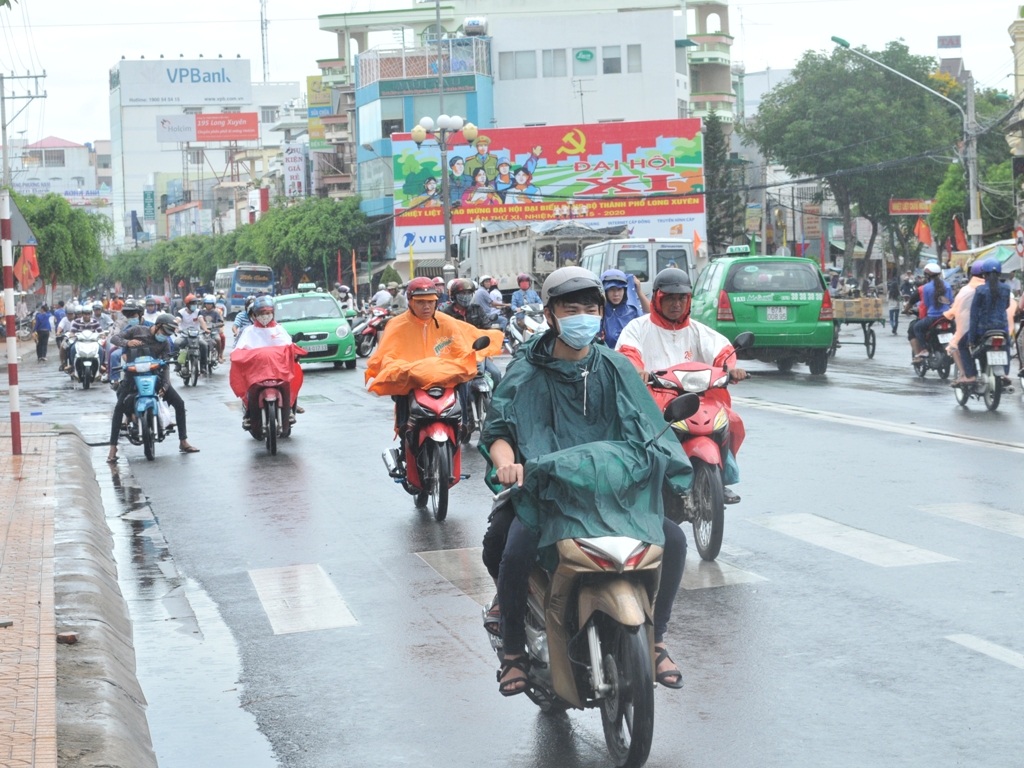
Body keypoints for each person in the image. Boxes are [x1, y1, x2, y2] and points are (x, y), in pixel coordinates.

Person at [480, 267, 691, 696]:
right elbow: (499, 430)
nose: (583, 316)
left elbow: (649, 424)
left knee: (675, 540)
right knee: (513, 547)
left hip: (616, 491)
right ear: (551, 314)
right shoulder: (526, 372)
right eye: (570, 308)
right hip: (549, 492)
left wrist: (669, 464)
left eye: (590, 309)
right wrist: (507, 463)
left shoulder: (615, 366)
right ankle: (515, 652)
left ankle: (656, 640)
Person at [616, 267, 747, 504]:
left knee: (732, 421)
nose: (676, 304)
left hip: (699, 399)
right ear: (657, 298)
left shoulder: (698, 330)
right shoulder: (638, 327)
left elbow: (723, 352)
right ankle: (642, 481)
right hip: (654, 398)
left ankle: (722, 478)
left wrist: (731, 368)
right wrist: (638, 371)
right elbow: (628, 352)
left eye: (681, 298)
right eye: (670, 298)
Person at [365, 277, 493, 447]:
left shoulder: (447, 322)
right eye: (421, 302)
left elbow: (461, 348)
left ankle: (463, 424)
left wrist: (466, 358)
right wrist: (398, 368)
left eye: (430, 302)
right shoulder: (396, 325)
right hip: (412, 377)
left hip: (444, 376)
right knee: (400, 391)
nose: (426, 306)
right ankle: (404, 429)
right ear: (410, 302)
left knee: (464, 382)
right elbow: (387, 354)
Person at [106, 313, 199, 463]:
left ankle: (183, 441)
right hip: (131, 379)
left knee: (179, 404)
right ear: (158, 326)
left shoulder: (165, 343)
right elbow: (114, 339)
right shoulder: (137, 330)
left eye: (169, 333)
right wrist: (127, 343)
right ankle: (112, 448)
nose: (166, 335)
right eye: (165, 331)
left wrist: (165, 385)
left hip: (155, 378)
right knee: (119, 408)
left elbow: (166, 366)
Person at [231, 296, 304, 428]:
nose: (265, 316)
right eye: (261, 314)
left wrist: (296, 354)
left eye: (268, 313)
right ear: (254, 315)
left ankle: (288, 410)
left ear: (273, 314)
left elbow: (289, 346)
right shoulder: (248, 331)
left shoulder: (279, 330)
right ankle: (249, 413)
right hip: (256, 373)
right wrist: (238, 357)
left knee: (288, 383)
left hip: (279, 372)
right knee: (250, 390)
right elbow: (239, 350)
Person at [442, 278, 503, 388]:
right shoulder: (446, 313)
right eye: (462, 293)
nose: (466, 296)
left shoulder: (477, 309)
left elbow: (487, 329)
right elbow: (442, 335)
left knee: (496, 374)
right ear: (454, 295)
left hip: (478, 351)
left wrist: (488, 352)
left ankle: (496, 403)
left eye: (469, 293)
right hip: (457, 354)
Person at [969, 258, 1012, 384]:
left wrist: (971, 340)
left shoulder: (980, 290)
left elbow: (974, 315)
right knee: (1006, 347)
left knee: (972, 350)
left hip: (983, 329)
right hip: (1002, 328)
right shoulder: (1006, 288)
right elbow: (1006, 305)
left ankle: (974, 375)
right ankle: (1005, 373)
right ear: (999, 273)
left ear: (984, 274)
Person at [946, 260, 985, 385]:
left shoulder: (966, 291)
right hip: (998, 328)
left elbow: (955, 309)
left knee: (956, 345)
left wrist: (949, 315)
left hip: (971, 329)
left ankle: (966, 374)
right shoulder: (999, 289)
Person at [911, 263, 951, 359]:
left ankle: (924, 350)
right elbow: (950, 301)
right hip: (947, 316)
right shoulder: (948, 286)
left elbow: (927, 304)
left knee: (916, 327)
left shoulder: (926, 288)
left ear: (927, 275)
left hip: (932, 317)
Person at [600, 268, 643, 349]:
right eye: (612, 289)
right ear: (605, 291)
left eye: (619, 289)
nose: (616, 294)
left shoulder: (633, 311)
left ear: (625, 290)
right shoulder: (598, 312)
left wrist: (639, 291)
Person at [174, 293, 210, 373]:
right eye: (192, 304)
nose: (194, 305)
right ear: (187, 305)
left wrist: (205, 329)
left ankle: (203, 366)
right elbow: (177, 320)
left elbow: (201, 321)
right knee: (176, 343)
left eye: (195, 303)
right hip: (185, 335)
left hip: (197, 335)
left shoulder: (198, 312)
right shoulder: (181, 312)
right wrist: (175, 327)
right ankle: (177, 364)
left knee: (204, 345)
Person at [199, 294, 225, 363]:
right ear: (205, 304)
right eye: (207, 303)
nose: (208, 305)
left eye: (210, 304)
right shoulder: (201, 312)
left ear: (213, 304)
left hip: (213, 331)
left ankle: (219, 356)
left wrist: (215, 325)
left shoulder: (216, 313)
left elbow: (220, 322)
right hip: (202, 331)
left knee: (218, 339)